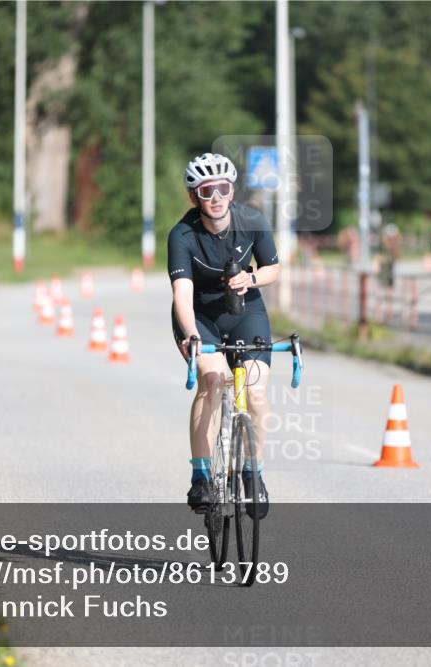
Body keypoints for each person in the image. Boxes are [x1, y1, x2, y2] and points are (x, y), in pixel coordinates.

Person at [168, 152, 281, 517]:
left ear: (231, 191)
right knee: (213, 380)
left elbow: (272, 269)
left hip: (246, 311)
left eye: (222, 188)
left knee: (256, 391)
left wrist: (250, 278)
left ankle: (253, 474)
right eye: (206, 191)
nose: (215, 197)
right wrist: (191, 335)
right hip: (200, 317)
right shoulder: (183, 235)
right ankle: (201, 476)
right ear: (194, 197)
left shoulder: (253, 221)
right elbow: (182, 296)